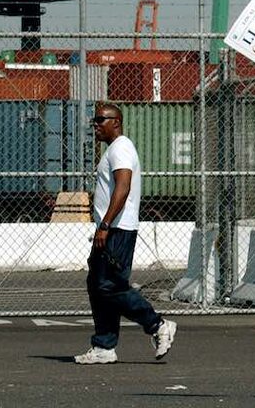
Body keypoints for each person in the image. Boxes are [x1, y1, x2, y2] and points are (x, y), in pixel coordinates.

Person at [74, 102, 176, 365]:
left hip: (117, 229)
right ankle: (104, 346)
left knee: (109, 286)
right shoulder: (114, 150)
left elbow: (123, 187)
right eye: (94, 121)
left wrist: (106, 225)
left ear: (115, 122)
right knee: (97, 285)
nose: (95, 125)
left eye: (100, 120)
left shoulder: (120, 148)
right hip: (110, 228)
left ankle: (157, 325)